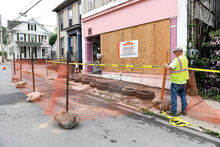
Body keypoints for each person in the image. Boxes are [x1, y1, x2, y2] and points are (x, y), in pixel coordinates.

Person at [165, 47, 189, 116]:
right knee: (183, 95)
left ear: (178, 52)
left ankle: (173, 111)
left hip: (176, 81)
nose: (174, 54)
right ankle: (184, 111)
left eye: (175, 52)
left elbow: (169, 68)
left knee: (174, 96)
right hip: (183, 81)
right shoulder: (185, 59)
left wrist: (166, 65)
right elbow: (179, 68)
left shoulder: (177, 59)